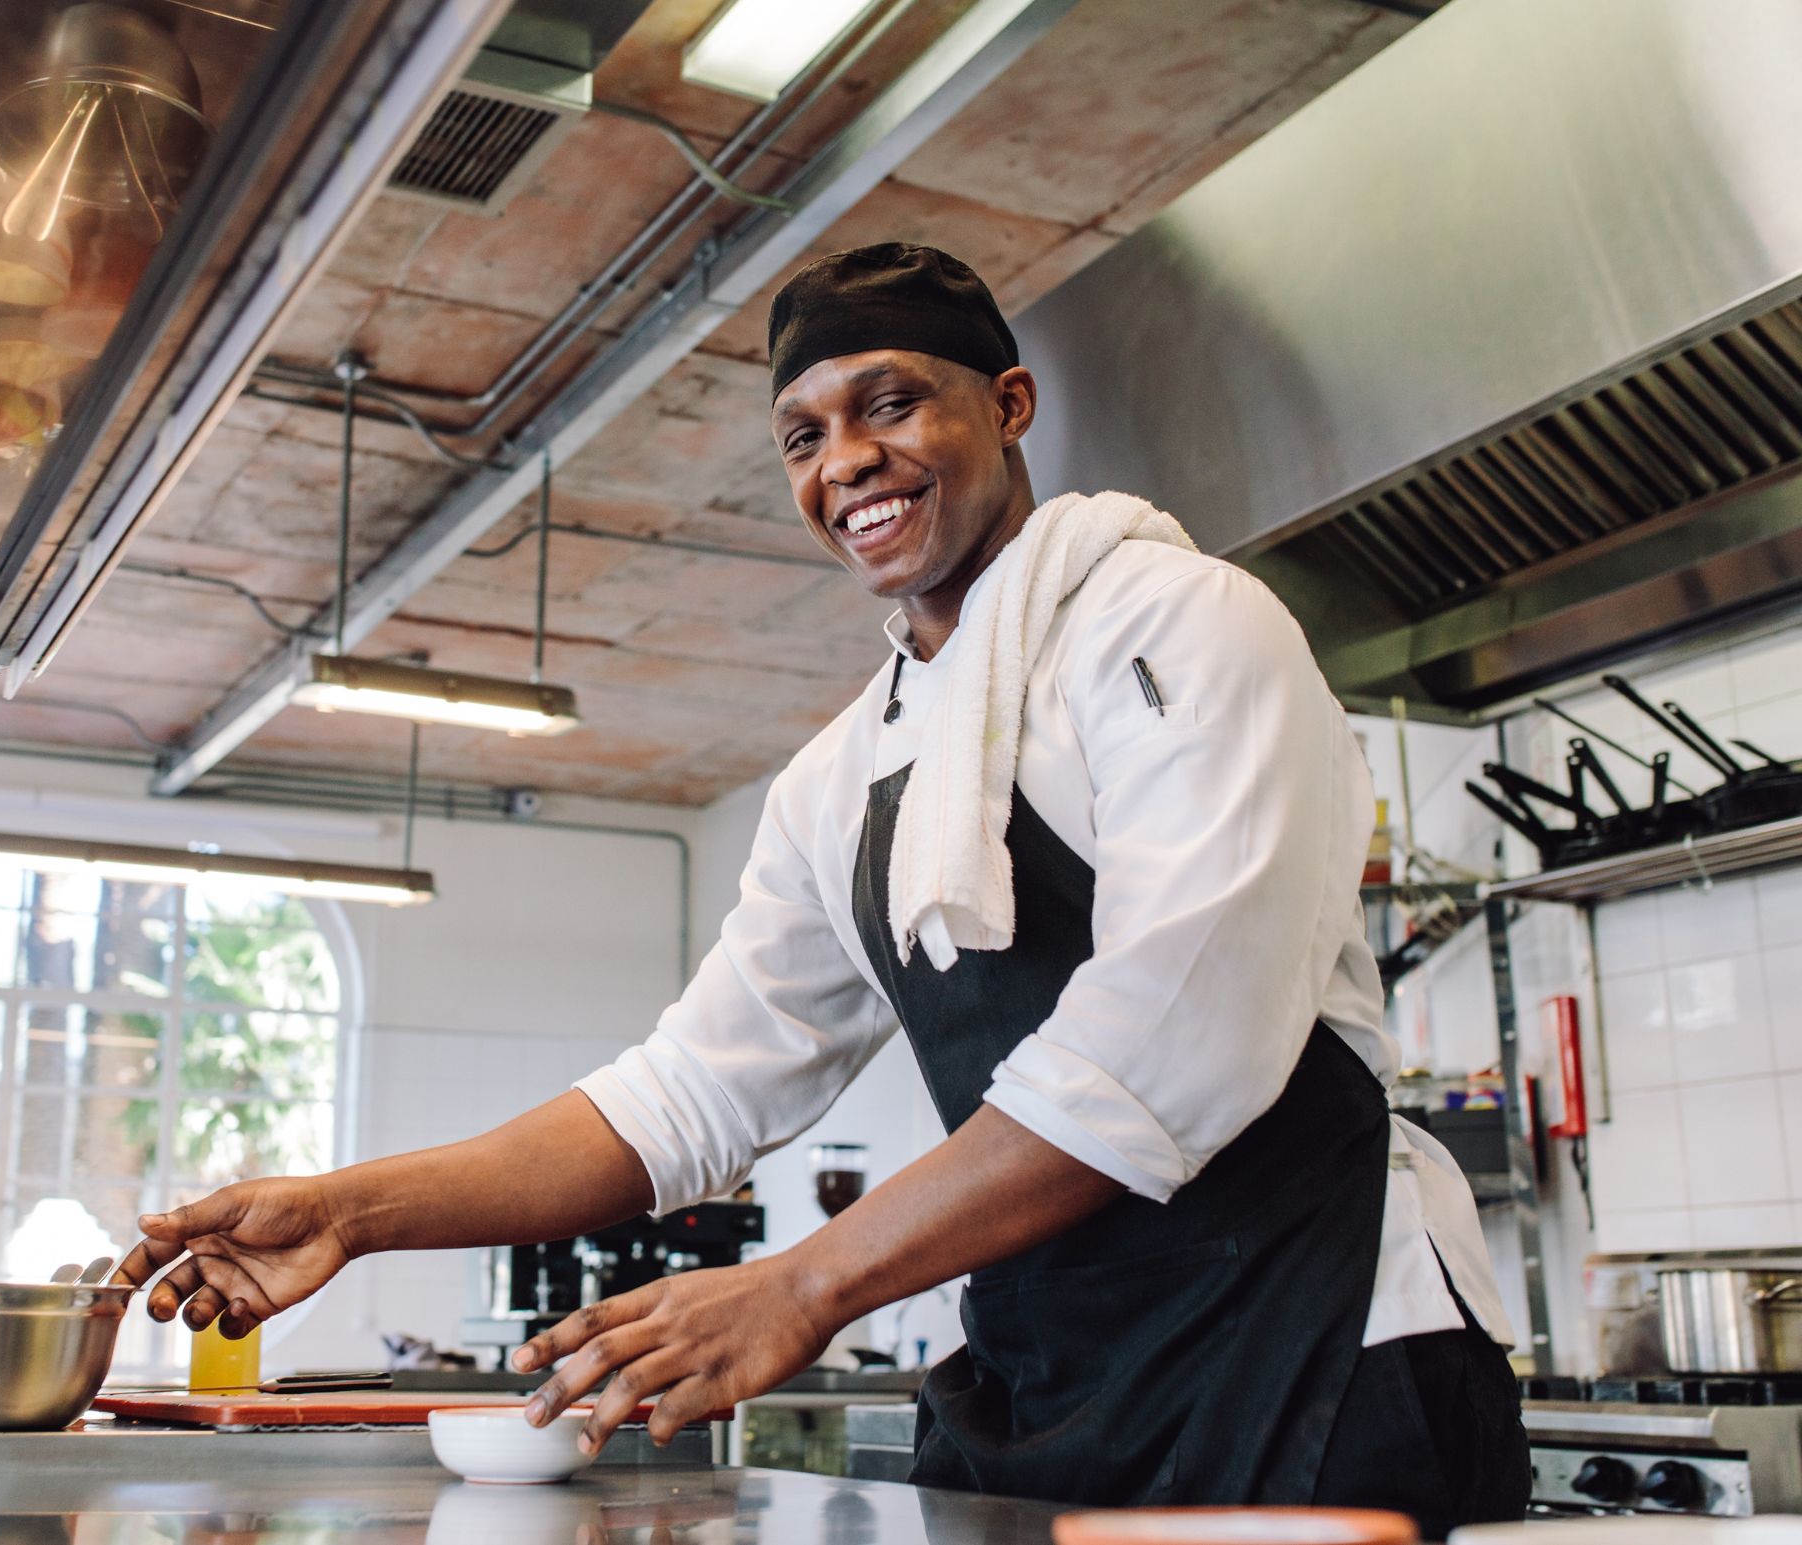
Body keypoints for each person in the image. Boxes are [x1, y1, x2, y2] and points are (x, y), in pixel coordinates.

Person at [120, 243, 1529, 1534]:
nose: (849, 460)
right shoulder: (841, 778)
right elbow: (688, 1095)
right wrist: (353, 1212)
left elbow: (1176, 1037)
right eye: (806, 436)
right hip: (1060, 1364)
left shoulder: (1174, 623)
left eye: (893, 404)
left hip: (1314, 1336)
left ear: (1011, 405)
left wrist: (803, 1284)